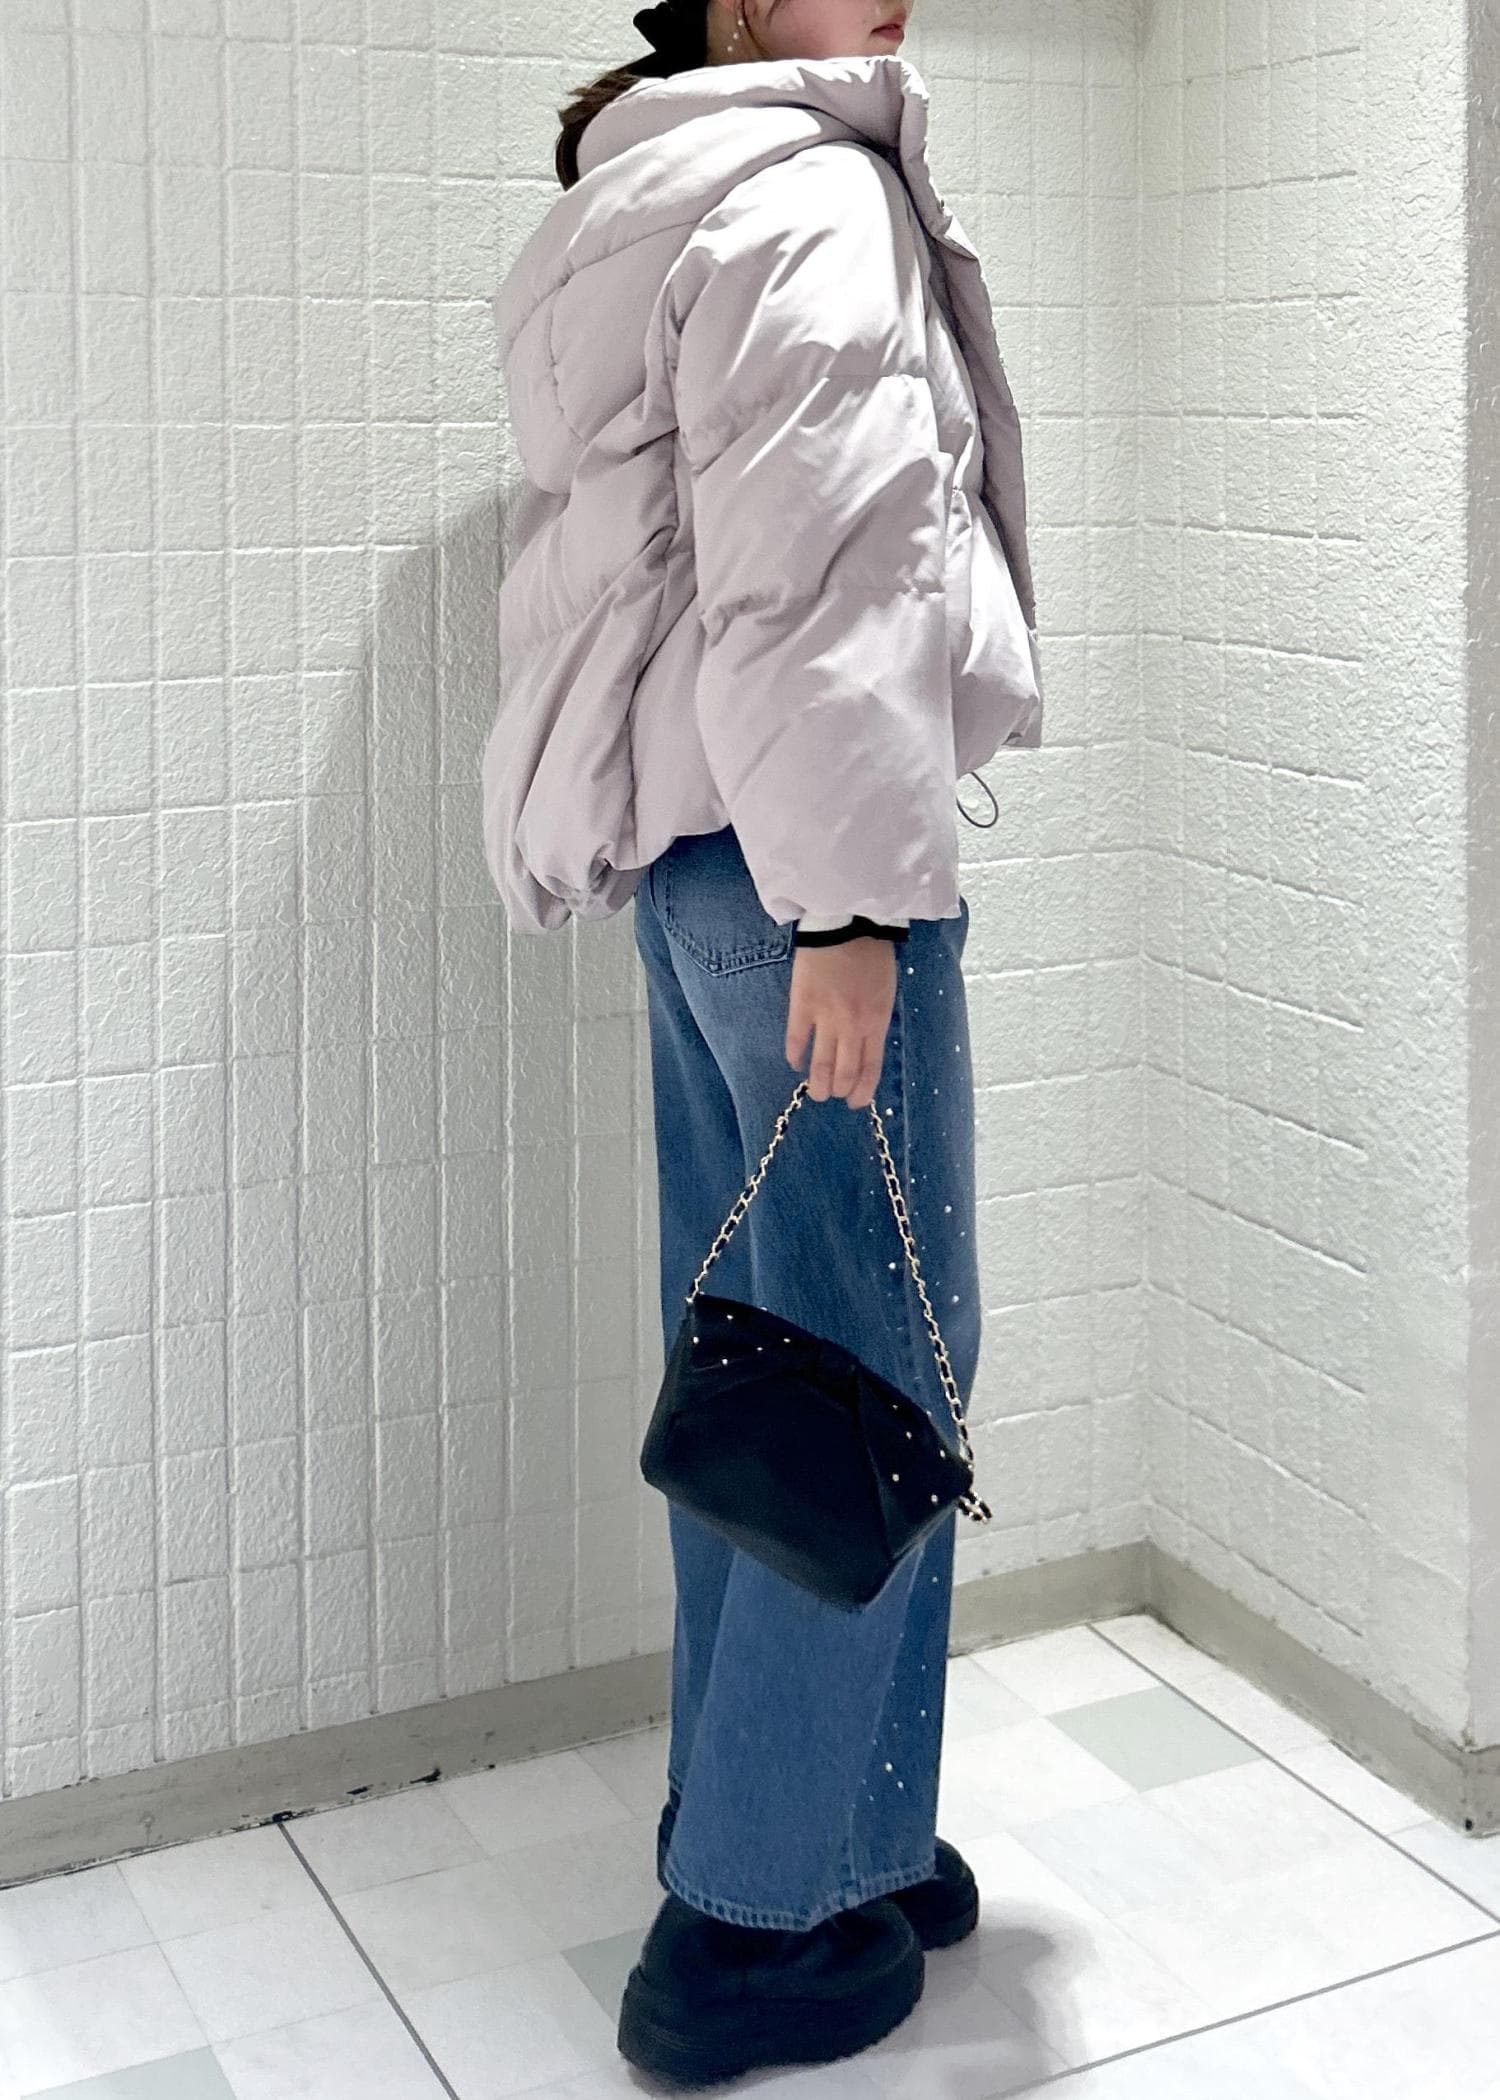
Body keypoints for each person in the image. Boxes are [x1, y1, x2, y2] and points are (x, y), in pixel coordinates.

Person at [485, 0, 1044, 2082]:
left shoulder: (651, 188)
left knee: (766, 1358)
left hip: (698, 867)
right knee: (871, 1367)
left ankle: (819, 1827)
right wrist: (855, 901)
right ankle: (752, 1921)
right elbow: (817, 579)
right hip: (804, 869)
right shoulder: (807, 189)